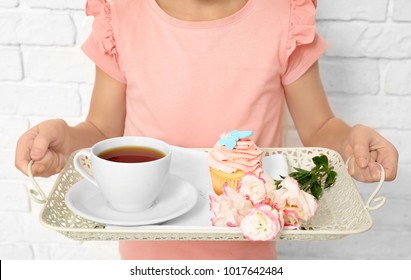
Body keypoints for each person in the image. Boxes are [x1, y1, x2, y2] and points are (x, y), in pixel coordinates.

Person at [15, 0, 398, 259]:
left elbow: (320, 127)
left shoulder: (283, 13)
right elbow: (101, 128)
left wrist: (349, 142)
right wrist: (69, 142)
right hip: (146, 252)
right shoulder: (123, 12)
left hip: (248, 251)